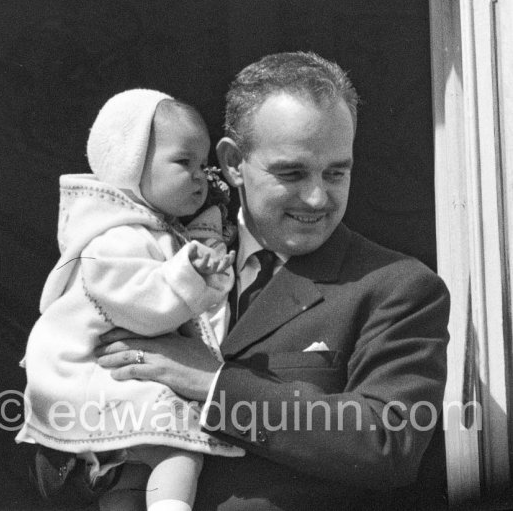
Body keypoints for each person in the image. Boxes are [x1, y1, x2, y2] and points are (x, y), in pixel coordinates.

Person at [93, 51, 450, 510]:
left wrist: (215, 384)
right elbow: (50, 457)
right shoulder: (148, 262)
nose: (318, 196)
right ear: (233, 162)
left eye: (337, 172)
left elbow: (387, 441)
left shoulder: (397, 287)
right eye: (292, 172)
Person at [16, 89, 244, 511]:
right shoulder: (113, 235)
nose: (199, 176)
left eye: (202, 164)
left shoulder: (156, 231)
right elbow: (142, 305)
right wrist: (193, 275)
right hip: (90, 379)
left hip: (117, 382)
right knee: (181, 449)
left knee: (133, 475)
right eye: (184, 162)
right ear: (131, 162)